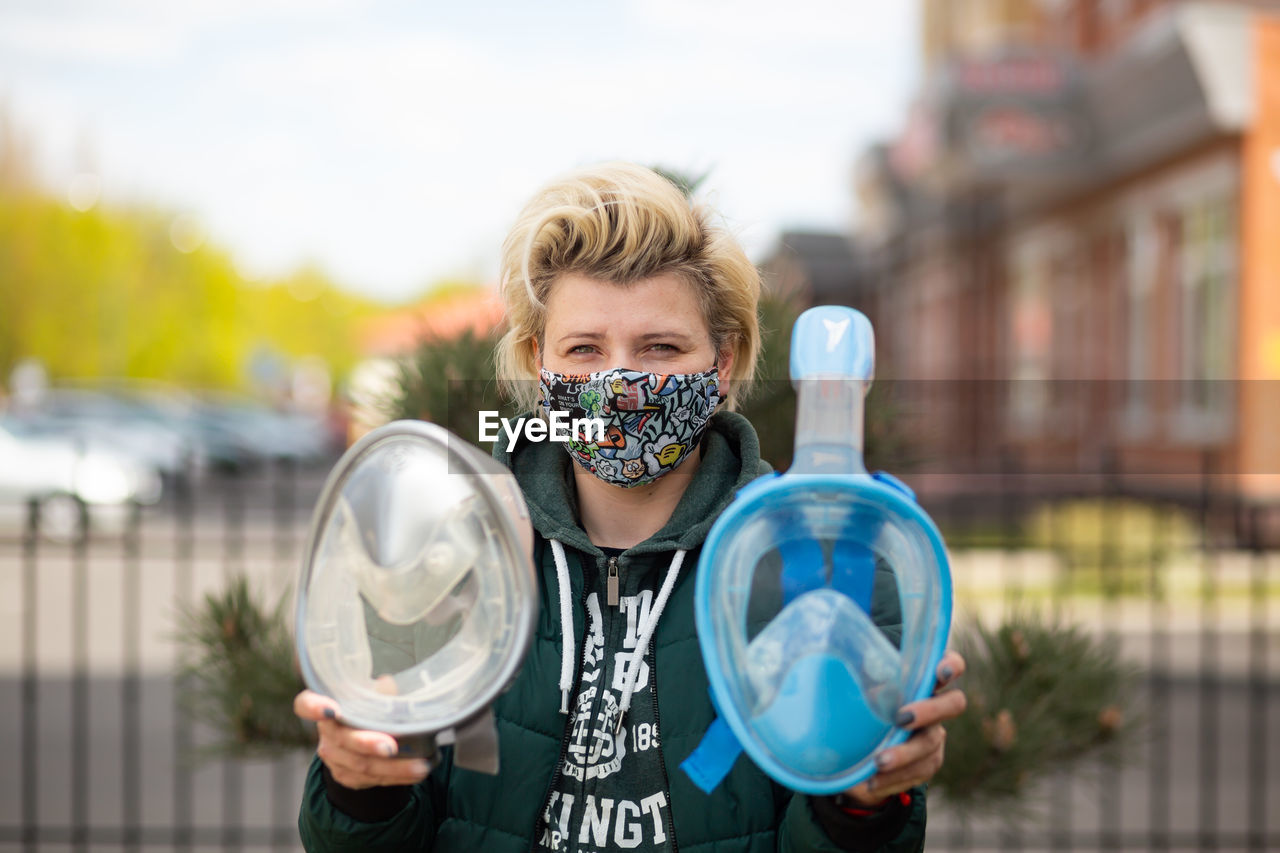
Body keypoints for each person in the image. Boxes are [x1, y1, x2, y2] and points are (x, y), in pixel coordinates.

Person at [294, 162, 967, 852]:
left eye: (661, 347)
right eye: (584, 349)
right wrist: (359, 785)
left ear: (723, 362)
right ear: (538, 363)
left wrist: (862, 803)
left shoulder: (812, 563)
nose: (619, 384)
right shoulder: (454, 550)